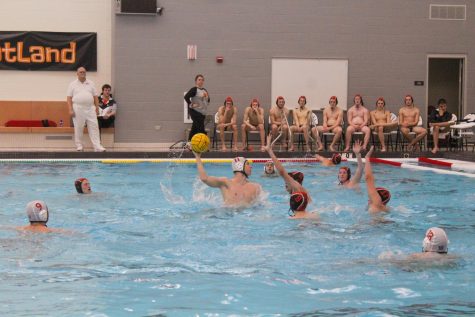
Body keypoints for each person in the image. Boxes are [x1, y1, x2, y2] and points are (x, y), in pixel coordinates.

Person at [264, 136, 317, 219]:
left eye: (287, 182)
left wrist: (270, 151)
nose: (285, 185)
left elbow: (282, 172)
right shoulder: (301, 193)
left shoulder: (296, 187)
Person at [193, 152, 261, 207]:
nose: (251, 166)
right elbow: (204, 178)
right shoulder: (226, 183)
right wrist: (197, 156)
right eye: (248, 164)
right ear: (240, 166)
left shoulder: (255, 187)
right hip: (227, 217)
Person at [67, 66, 106, 152]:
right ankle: (79, 146)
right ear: (77, 74)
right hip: (78, 108)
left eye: (84, 72)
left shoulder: (91, 83)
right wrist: (70, 109)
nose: (82, 73)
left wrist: (97, 107)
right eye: (80, 72)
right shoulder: (72, 84)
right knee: (78, 127)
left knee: (94, 126)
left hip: (90, 108)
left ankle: (97, 146)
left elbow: (95, 96)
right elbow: (69, 98)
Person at [364, 146, 391, 213]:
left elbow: (368, 178)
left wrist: (367, 158)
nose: (370, 195)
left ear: (376, 196)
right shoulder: (385, 208)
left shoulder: (376, 202)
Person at [184, 74, 210, 141]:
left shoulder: (204, 90)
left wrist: (206, 97)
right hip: (195, 112)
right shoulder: (194, 89)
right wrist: (191, 104)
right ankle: (203, 145)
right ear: (196, 81)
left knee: (194, 128)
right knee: (201, 129)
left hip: (202, 112)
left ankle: (189, 143)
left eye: (202, 80)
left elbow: (208, 101)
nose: (201, 81)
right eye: (199, 79)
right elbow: (186, 97)